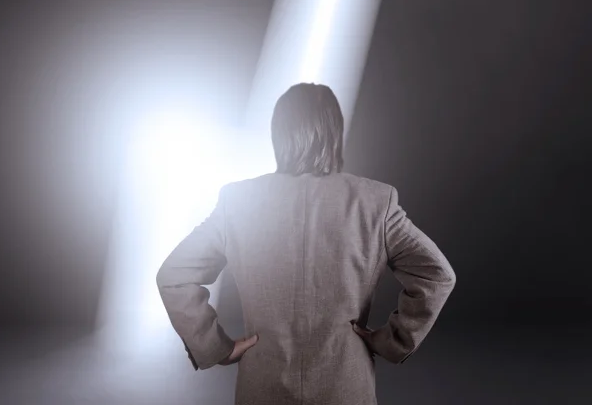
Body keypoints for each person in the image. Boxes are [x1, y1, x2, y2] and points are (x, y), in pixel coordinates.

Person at [156, 83, 456, 405]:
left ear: (278, 134)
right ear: (335, 132)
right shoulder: (375, 201)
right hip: (345, 389)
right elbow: (436, 275)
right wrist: (392, 340)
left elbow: (175, 275)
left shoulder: (238, 203)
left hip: (262, 389)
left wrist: (216, 346)